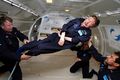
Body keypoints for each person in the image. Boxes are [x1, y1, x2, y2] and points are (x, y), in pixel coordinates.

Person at [16, 15, 100, 57]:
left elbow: (75, 40)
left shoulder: (87, 33)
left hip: (63, 44)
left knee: (42, 48)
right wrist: (62, 35)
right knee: (40, 42)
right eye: (89, 19)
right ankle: (21, 49)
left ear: (91, 26)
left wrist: (63, 37)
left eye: (91, 22)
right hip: (57, 36)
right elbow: (66, 26)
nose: (87, 21)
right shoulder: (78, 20)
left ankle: (27, 55)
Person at [0, 16, 30, 80]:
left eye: (12, 24)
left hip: (14, 52)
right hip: (6, 56)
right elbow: (4, 52)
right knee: (17, 76)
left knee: (10, 65)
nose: (11, 26)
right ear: (2, 26)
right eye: (9, 25)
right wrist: (19, 57)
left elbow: (19, 34)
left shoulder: (12, 29)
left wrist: (24, 39)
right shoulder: (0, 36)